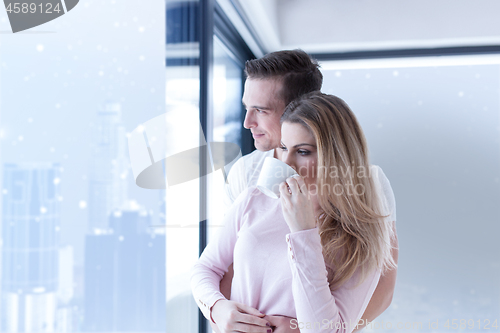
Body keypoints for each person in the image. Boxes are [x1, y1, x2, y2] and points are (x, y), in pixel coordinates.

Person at [197, 50, 398, 332]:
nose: (247, 123)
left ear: (299, 106)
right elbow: (230, 269)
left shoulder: (369, 185)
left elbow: (382, 289)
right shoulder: (248, 178)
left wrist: (309, 327)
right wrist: (222, 312)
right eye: (246, 108)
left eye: (261, 110)